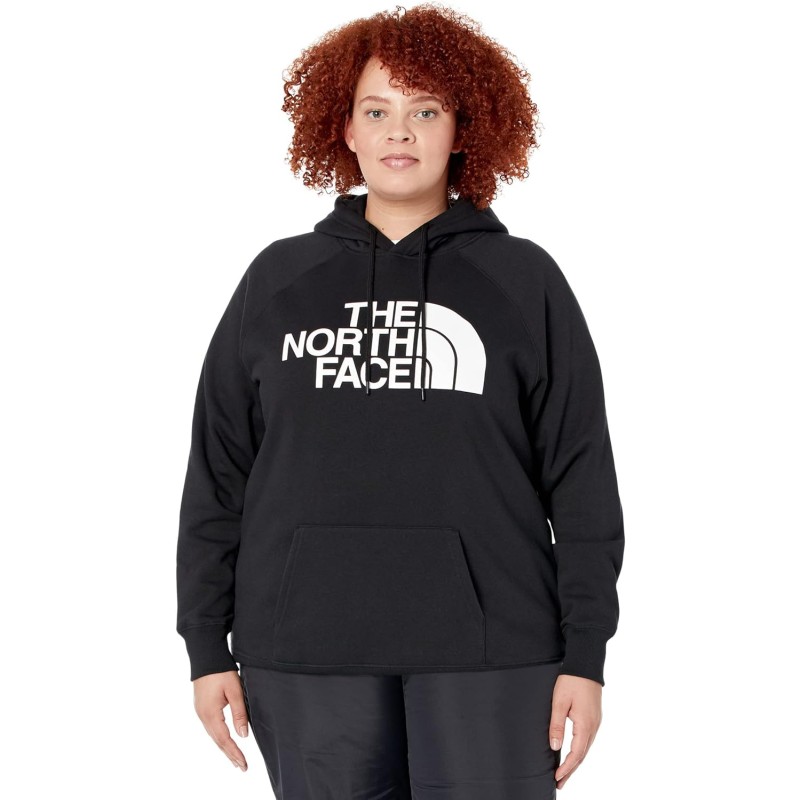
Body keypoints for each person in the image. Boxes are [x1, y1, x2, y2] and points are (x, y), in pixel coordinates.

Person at [176, 4, 625, 798]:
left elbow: (581, 476)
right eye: (377, 111)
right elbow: (219, 473)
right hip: (305, 651)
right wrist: (206, 645)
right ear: (345, 129)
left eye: (426, 111)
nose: (400, 133)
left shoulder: (524, 281)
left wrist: (586, 655)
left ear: (463, 129)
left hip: (496, 652)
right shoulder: (279, 281)